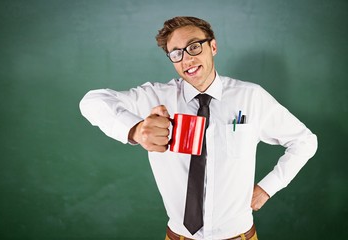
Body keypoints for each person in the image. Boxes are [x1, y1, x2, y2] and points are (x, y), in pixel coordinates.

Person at [79, 16, 318, 240]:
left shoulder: (251, 98)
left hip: (239, 236)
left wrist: (268, 188)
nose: (187, 59)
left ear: (213, 47)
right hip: (179, 236)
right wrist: (135, 129)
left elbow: (304, 141)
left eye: (194, 47)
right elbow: (92, 101)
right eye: (176, 53)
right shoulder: (156, 98)